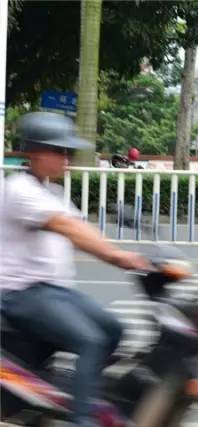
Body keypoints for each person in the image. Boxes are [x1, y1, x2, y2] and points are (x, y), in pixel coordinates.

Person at [0, 112, 148, 427]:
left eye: (67, 152)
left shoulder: (51, 192)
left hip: (54, 292)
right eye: (59, 151)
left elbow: (83, 228)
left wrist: (126, 251)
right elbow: (66, 226)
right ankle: (84, 420)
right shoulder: (19, 189)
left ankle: (78, 392)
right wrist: (118, 258)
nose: (66, 158)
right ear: (35, 152)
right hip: (21, 293)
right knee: (90, 341)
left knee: (114, 330)